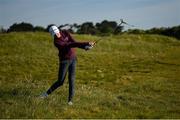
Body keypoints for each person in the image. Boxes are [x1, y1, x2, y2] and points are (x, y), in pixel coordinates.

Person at [40, 25, 95, 105]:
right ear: (53, 34)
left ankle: (70, 101)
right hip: (64, 61)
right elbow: (69, 45)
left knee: (71, 80)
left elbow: (73, 42)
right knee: (60, 82)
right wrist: (87, 43)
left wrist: (85, 47)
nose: (57, 34)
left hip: (73, 59)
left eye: (57, 32)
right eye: (55, 34)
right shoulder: (57, 42)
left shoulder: (65, 32)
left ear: (58, 30)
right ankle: (45, 94)